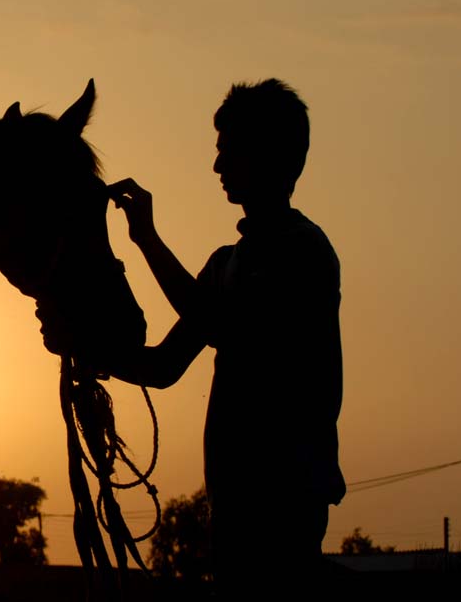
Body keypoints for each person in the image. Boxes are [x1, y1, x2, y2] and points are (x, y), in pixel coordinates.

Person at [105, 78, 345, 598]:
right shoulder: (225, 264)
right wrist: (89, 347)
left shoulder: (304, 254)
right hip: (233, 505)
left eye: (228, 152)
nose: (217, 168)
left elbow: (220, 326)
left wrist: (146, 239)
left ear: (269, 156)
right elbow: (163, 367)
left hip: (285, 502)